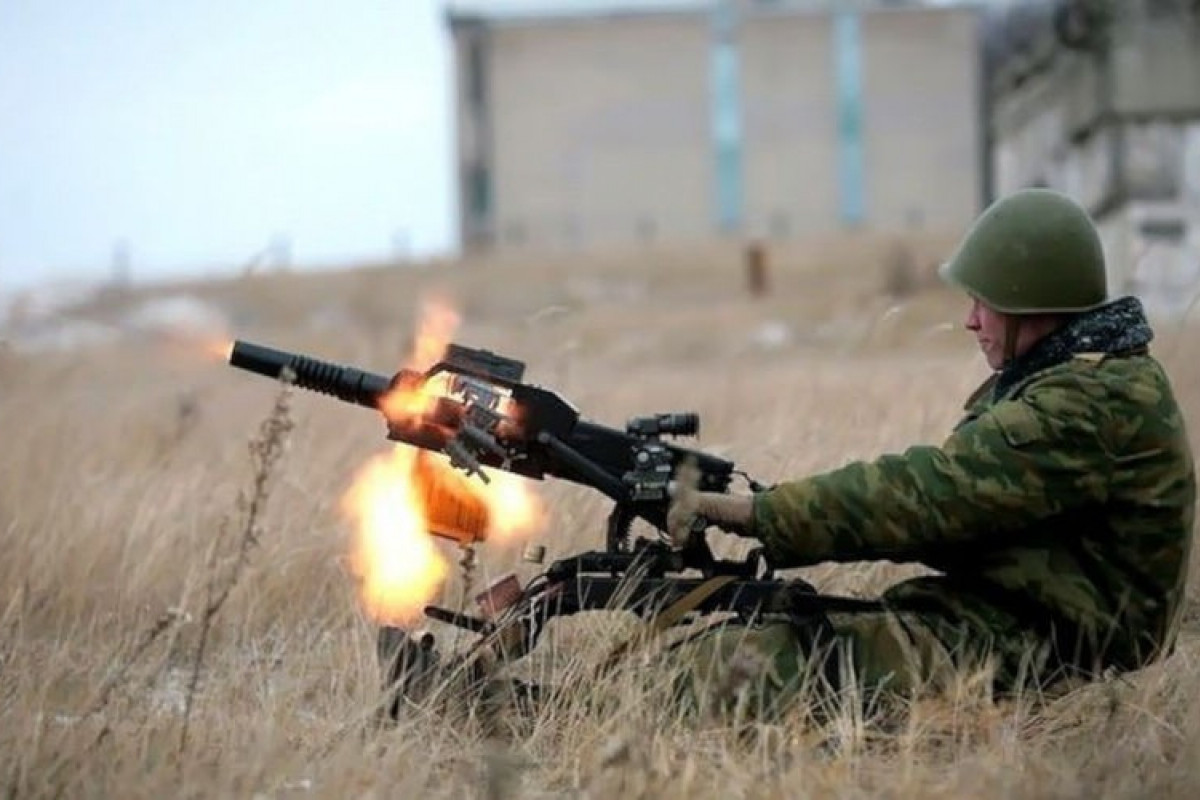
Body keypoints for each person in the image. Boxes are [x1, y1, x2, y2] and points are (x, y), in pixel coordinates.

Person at [666, 188, 1197, 719]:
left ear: (1028, 303)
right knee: (754, 636)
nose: (970, 320)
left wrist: (760, 513)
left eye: (982, 302)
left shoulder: (1086, 403)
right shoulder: (1089, 376)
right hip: (1022, 623)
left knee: (723, 670)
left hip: (1052, 653)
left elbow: (926, 497)